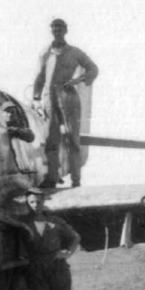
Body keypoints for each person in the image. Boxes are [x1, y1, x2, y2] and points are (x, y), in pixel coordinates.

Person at [32, 18, 99, 188]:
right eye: (54, 29)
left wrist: (78, 80)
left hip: (68, 98)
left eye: (60, 29)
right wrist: (36, 98)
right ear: (51, 31)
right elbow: (40, 77)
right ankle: (52, 177)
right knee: (50, 139)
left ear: (65, 31)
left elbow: (93, 68)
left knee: (72, 139)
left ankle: (76, 180)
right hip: (49, 98)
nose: (57, 32)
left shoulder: (75, 52)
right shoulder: (45, 53)